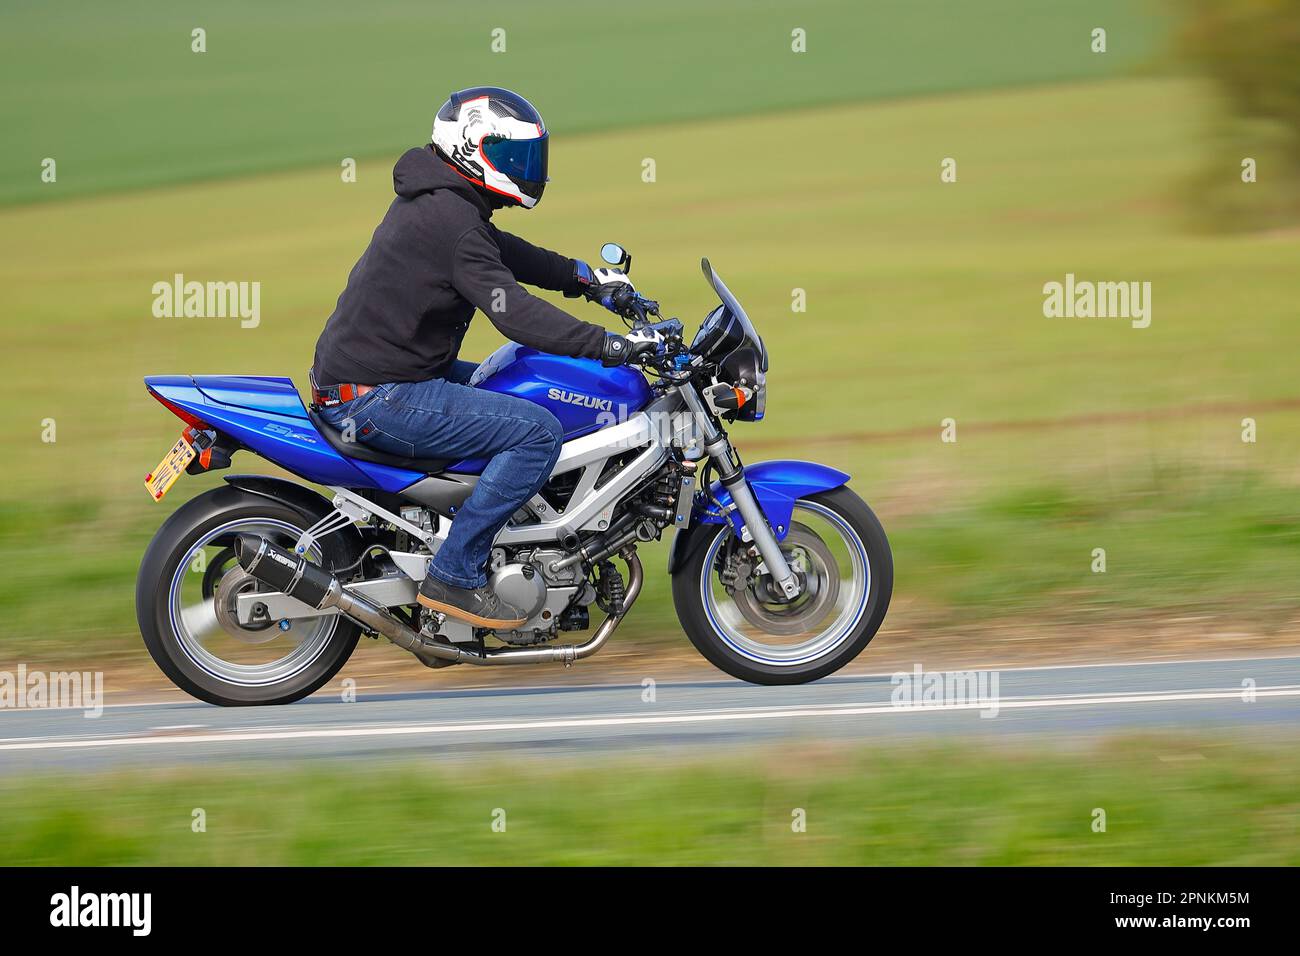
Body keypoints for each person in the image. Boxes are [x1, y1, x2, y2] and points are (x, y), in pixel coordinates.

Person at [310, 87, 660, 629]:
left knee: (520, 382)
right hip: (378, 397)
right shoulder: (450, 220)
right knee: (537, 432)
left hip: (384, 375)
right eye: (515, 158)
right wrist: (608, 344)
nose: (527, 170)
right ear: (474, 149)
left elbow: (502, 252)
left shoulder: (446, 204)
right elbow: (514, 312)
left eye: (530, 159)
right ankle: (455, 574)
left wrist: (586, 279)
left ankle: (511, 538)